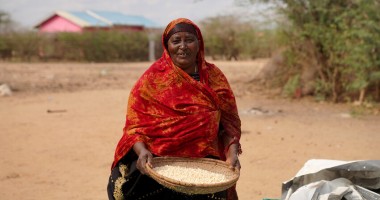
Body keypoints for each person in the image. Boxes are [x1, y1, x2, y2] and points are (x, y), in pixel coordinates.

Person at [107, 18, 242, 200]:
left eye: (189, 40)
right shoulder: (152, 79)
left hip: (205, 164)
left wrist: (232, 154)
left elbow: (228, 125)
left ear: (199, 43)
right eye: (176, 40)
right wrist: (142, 152)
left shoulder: (214, 77)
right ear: (166, 45)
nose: (183, 46)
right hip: (157, 161)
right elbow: (134, 129)